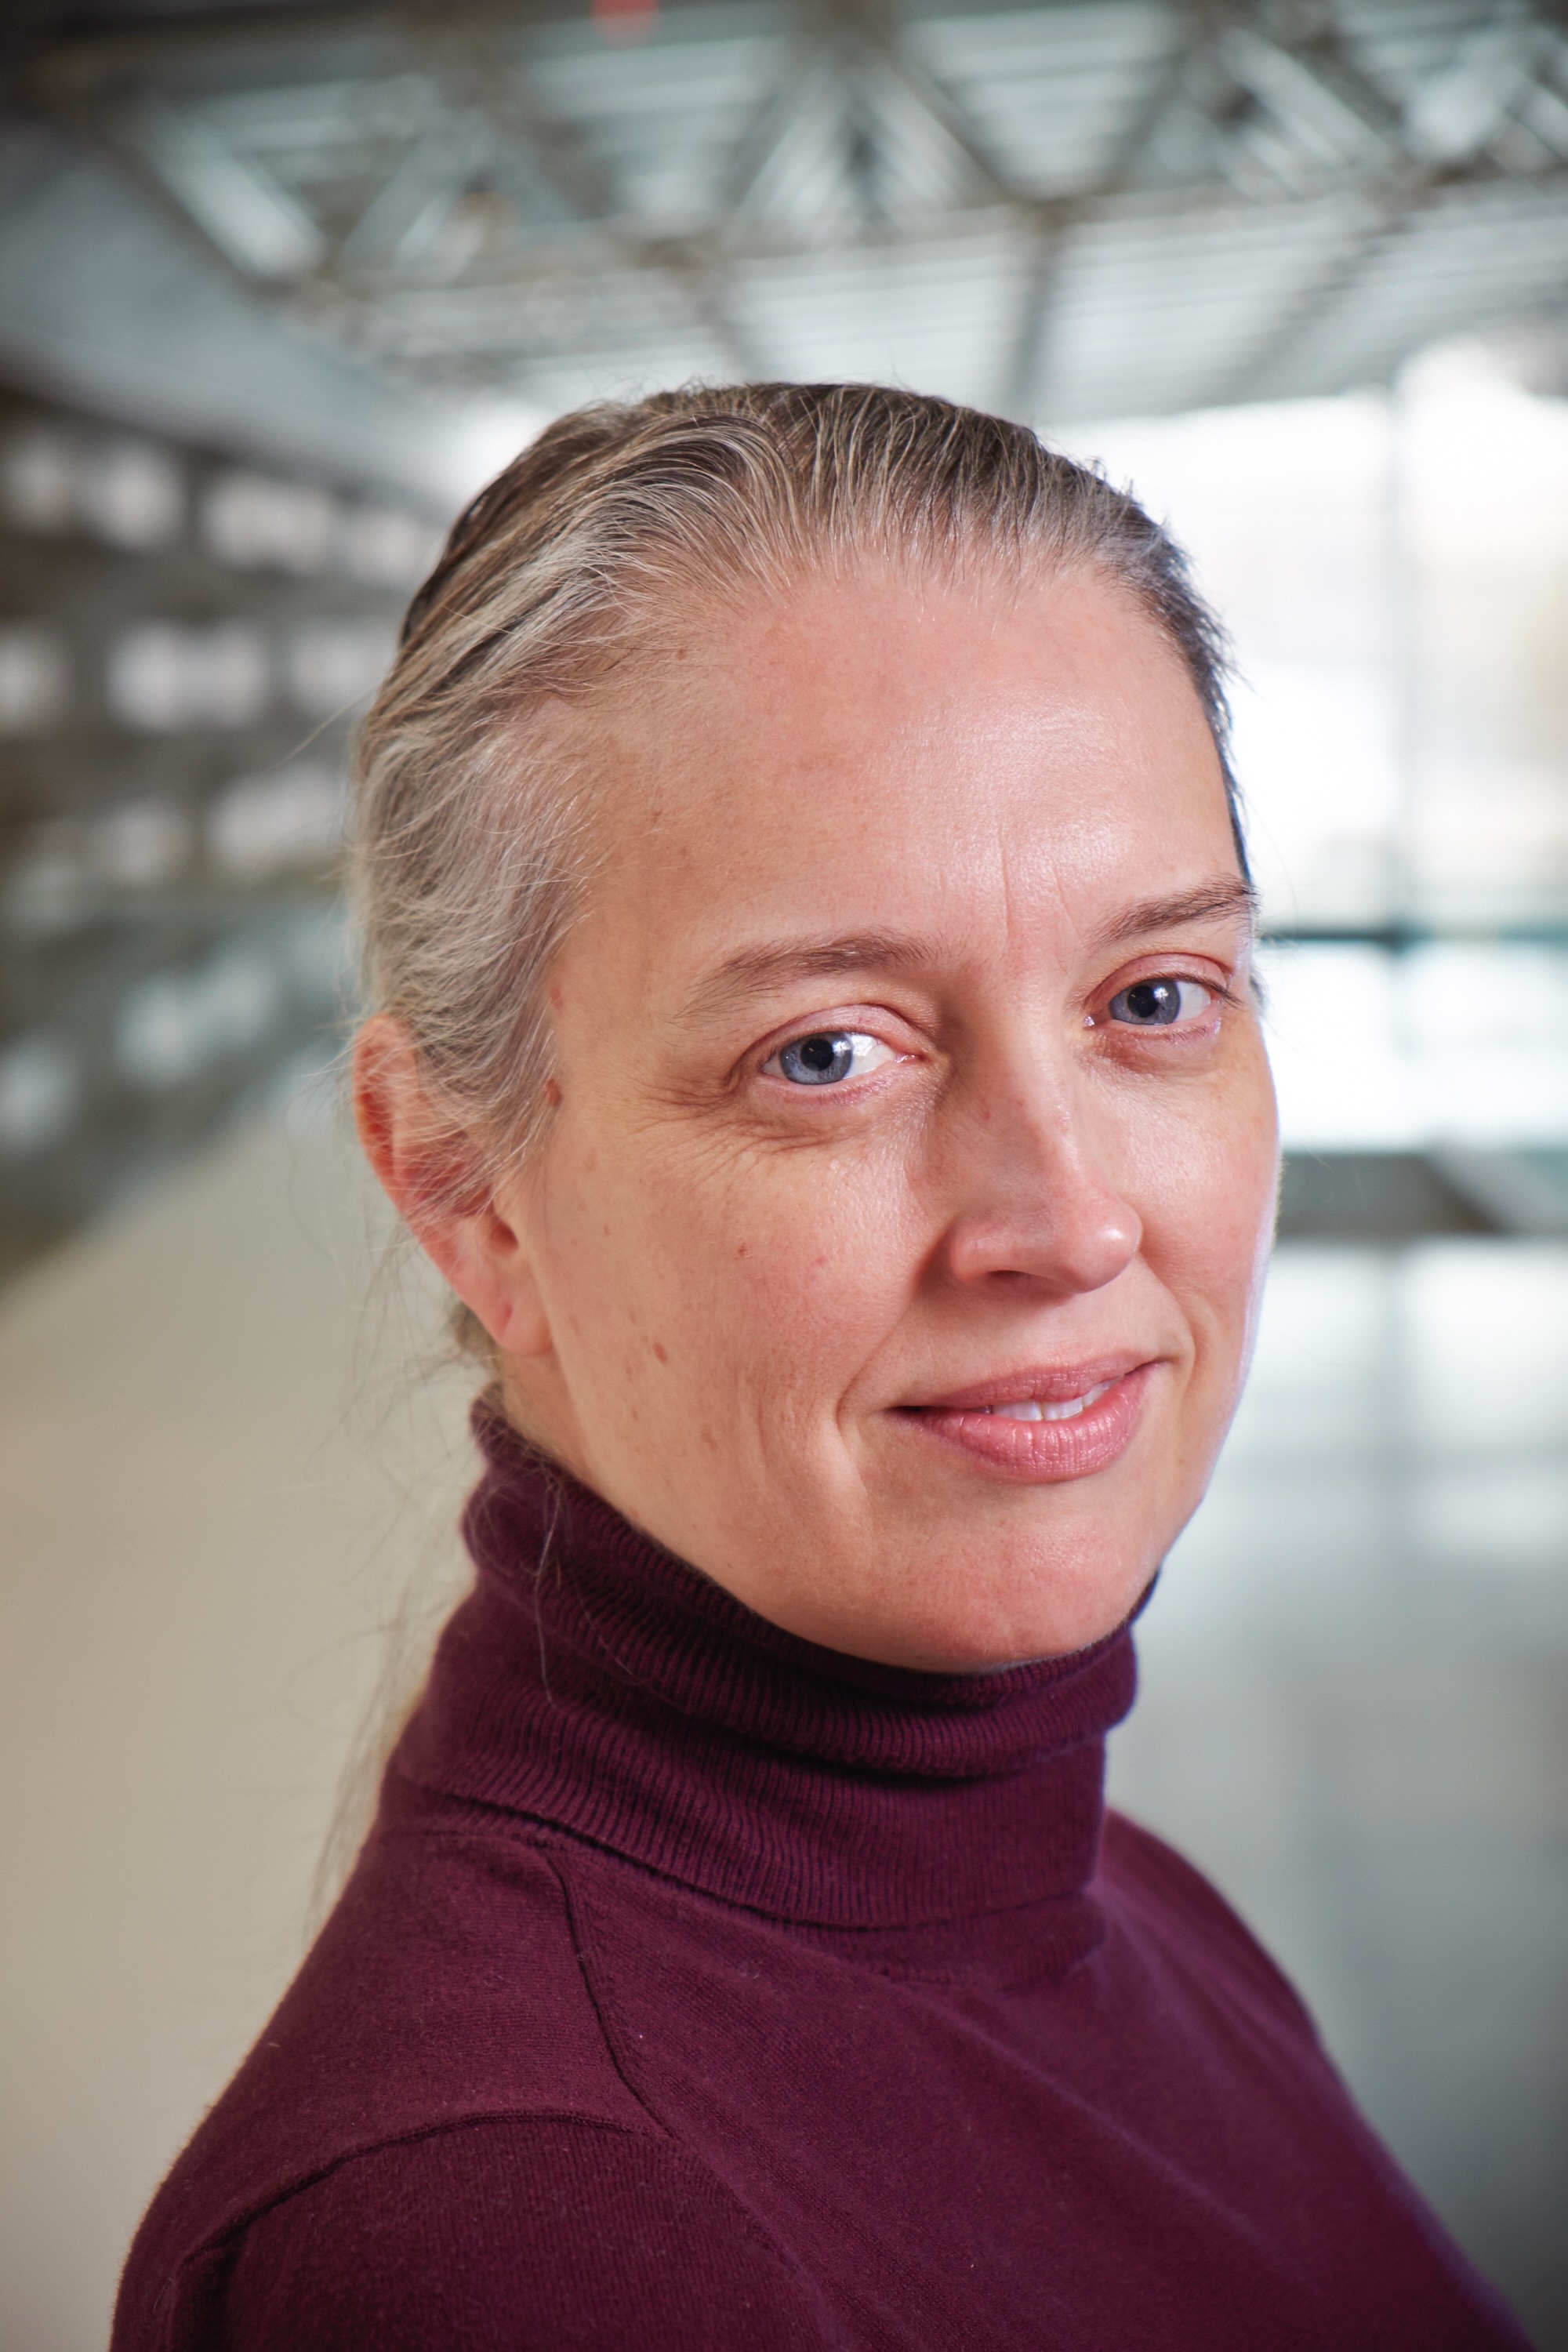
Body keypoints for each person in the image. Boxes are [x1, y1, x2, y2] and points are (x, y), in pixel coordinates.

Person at [112, 384, 1529, 2350]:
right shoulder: (527, 2240)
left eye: (1152, 998)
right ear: (466, 1191)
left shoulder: (1098, 1886)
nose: (1068, 1220)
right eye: (827, 1053)